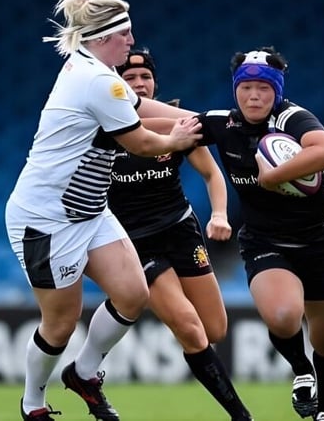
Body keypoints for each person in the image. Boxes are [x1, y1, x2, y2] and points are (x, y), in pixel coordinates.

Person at [5, 0, 202, 421]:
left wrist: (209, 119)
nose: (132, 42)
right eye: (126, 34)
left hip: (88, 210)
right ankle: (32, 404)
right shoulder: (97, 80)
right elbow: (142, 142)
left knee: (133, 294)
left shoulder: (91, 69)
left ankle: (84, 373)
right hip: (47, 218)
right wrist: (178, 139)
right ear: (103, 37)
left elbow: (139, 105)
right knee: (60, 322)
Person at [191, 46, 324, 421]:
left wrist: (273, 175)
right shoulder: (223, 124)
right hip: (267, 242)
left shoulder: (292, 118)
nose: (254, 95)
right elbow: (173, 120)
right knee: (282, 316)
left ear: (276, 91)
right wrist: (123, 99)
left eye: (263, 88)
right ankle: (301, 370)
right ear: (235, 90)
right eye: (246, 87)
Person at [108, 49, 253, 421]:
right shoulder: (104, 127)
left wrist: (219, 214)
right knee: (189, 327)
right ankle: (241, 415)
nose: (139, 84)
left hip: (181, 231)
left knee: (214, 328)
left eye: (145, 78)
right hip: (136, 242)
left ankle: (193, 349)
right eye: (130, 78)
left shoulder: (178, 121)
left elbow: (212, 174)